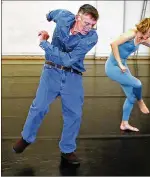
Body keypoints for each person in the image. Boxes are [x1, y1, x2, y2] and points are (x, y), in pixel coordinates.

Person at [13, 4, 99, 165]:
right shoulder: (63, 16)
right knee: (38, 107)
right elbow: (50, 14)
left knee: (74, 114)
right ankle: (26, 138)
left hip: (73, 75)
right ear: (77, 17)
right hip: (51, 72)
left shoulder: (91, 37)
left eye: (93, 25)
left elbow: (67, 59)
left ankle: (67, 150)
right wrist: (46, 22)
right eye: (87, 23)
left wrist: (45, 43)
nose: (89, 28)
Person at [105, 17, 150, 132]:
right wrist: (120, 64)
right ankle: (141, 101)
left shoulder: (143, 40)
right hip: (113, 67)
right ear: (146, 28)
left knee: (131, 97)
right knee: (137, 83)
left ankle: (124, 123)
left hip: (122, 66)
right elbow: (113, 44)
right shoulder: (131, 33)